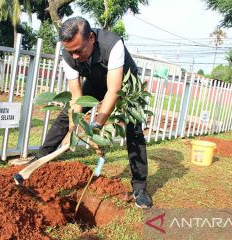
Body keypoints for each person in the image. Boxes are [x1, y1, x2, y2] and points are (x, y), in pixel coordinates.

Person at [31, 17, 152, 209]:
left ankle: (140, 187)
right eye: (71, 51)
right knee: (65, 115)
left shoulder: (113, 44)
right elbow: (76, 96)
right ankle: (39, 160)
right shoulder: (68, 54)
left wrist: (96, 127)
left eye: (79, 50)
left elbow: (114, 89)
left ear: (92, 38)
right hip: (96, 82)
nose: (76, 56)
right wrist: (72, 128)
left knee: (134, 130)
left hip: (126, 87)